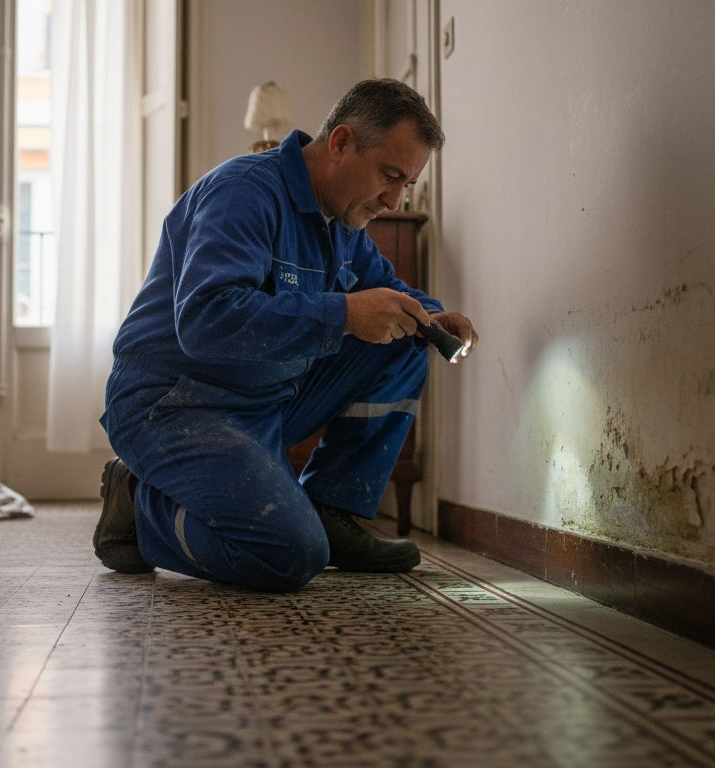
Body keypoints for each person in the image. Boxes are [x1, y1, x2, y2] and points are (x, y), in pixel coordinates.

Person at [94, 78, 475, 592]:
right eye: (389, 175)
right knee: (288, 555)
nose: (393, 198)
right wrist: (341, 313)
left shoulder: (342, 220)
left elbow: (386, 289)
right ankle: (138, 505)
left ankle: (331, 509)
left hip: (264, 400)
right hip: (175, 404)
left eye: (406, 183)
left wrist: (433, 316)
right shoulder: (242, 193)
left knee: (408, 335)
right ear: (340, 143)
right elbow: (206, 320)